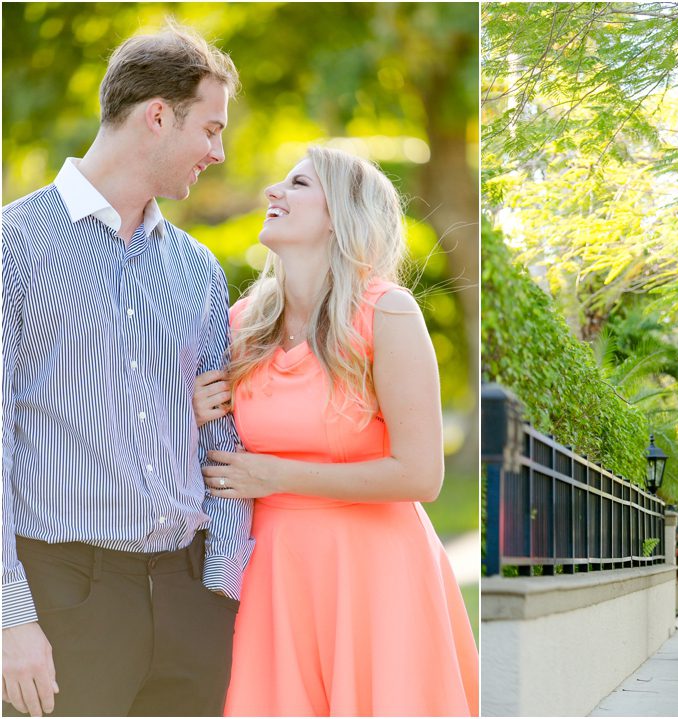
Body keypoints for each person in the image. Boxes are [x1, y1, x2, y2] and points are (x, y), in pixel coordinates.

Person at [1, 26, 254, 717]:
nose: (218, 152)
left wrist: (227, 588)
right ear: (157, 116)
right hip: (65, 598)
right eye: (211, 127)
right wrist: (10, 617)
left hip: (188, 598)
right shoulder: (13, 248)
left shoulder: (198, 271)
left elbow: (219, 441)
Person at [192, 145, 479, 716]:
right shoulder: (242, 325)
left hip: (372, 571)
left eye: (298, 183)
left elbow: (421, 474)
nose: (273, 191)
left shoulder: (388, 314)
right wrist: (192, 410)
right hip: (272, 572)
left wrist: (274, 475)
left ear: (342, 216)